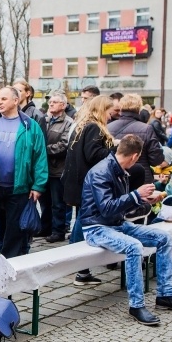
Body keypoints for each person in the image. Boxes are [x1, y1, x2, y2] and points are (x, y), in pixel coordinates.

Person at [81, 134, 172, 326]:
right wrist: (136, 195)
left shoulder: (119, 169)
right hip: (96, 228)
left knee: (164, 238)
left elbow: (120, 207)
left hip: (115, 224)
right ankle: (136, 305)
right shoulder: (102, 172)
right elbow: (107, 208)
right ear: (135, 156)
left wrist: (144, 200)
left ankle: (165, 295)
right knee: (134, 246)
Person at [0, 86, 48, 258]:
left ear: (16, 100)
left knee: (14, 228)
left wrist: (38, 185)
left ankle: (10, 261)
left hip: (18, 187)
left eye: (3, 99)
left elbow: (40, 157)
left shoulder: (30, 126)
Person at [61, 95, 115, 285]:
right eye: (109, 111)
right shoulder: (94, 127)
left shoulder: (83, 124)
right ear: (102, 109)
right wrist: (113, 147)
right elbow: (93, 155)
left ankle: (78, 266)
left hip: (77, 182)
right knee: (83, 222)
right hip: (86, 184)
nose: (111, 115)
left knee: (81, 220)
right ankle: (78, 266)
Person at [107, 93, 167, 185]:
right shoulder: (146, 129)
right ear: (139, 109)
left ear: (121, 108)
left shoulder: (108, 128)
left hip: (115, 178)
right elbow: (156, 160)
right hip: (142, 179)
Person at [40, 90, 73, 243]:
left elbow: (64, 145)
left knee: (58, 203)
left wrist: (43, 150)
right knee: (45, 202)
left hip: (58, 169)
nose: (50, 104)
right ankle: (45, 227)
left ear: (63, 105)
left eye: (54, 102)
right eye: (50, 102)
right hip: (43, 168)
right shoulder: (44, 120)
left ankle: (58, 230)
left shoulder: (68, 123)